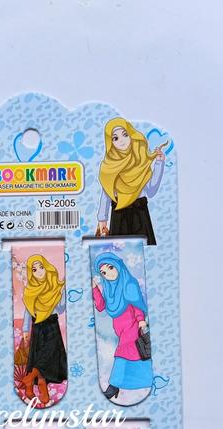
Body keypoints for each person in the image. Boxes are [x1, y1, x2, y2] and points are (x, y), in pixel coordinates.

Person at [92, 251, 152, 399]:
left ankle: (114, 386)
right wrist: (94, 288)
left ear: (118, 265)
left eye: (110, 268)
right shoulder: (109, 288)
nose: (108, 274)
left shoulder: (129, 283)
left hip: (132, 326)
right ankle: (145, 380)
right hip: (120, 329)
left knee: (122, 353)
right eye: (103, 272)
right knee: (137, 353)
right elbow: (101, 306)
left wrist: (141, 320)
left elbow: (136, 303)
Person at [96, 117, 165, 245]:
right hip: (118, 214)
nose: (121, 140)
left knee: (145, 250)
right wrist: (102, 219)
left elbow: (151, 191)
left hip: (140, 212)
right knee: (118, 251)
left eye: (125, 134)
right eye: (115, 138)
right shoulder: (109, 167)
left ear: (132, 135)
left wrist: (159, 163)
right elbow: (106, 193)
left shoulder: (141, 162)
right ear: (110, 142)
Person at [20, 255, 67, 405]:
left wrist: (62, 293)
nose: (39, 271)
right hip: (37, 325)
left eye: (41, 267)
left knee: (49, 351)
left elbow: (61, 309)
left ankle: (31, 378)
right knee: (41, 353)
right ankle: (40, 383)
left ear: (47, 268)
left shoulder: (54, 286)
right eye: (34, 269)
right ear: (31, 273)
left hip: (52, 322)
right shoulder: (30, 290)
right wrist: (25, 329)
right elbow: (28, 311)